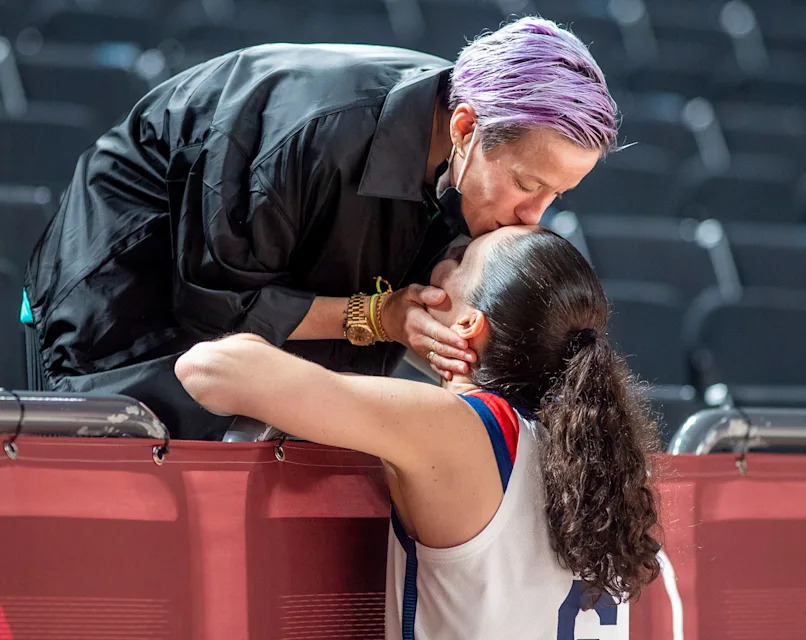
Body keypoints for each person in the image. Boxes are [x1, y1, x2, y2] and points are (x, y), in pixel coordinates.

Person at [22, 17, 618, 439]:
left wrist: (440, 295)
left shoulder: (470, 129)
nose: (533, 217)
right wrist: (378, 317)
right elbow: (218, 311)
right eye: (527, 184)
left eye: (557, 195)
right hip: (129, 304)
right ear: (464, 128)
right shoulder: (305, 136)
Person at [175, 226, 662, 638]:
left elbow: (209, 369)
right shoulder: (600, 453)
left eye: (462, 260)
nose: (443, 263)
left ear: (469, 323)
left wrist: (376, 317)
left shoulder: (462, 429)